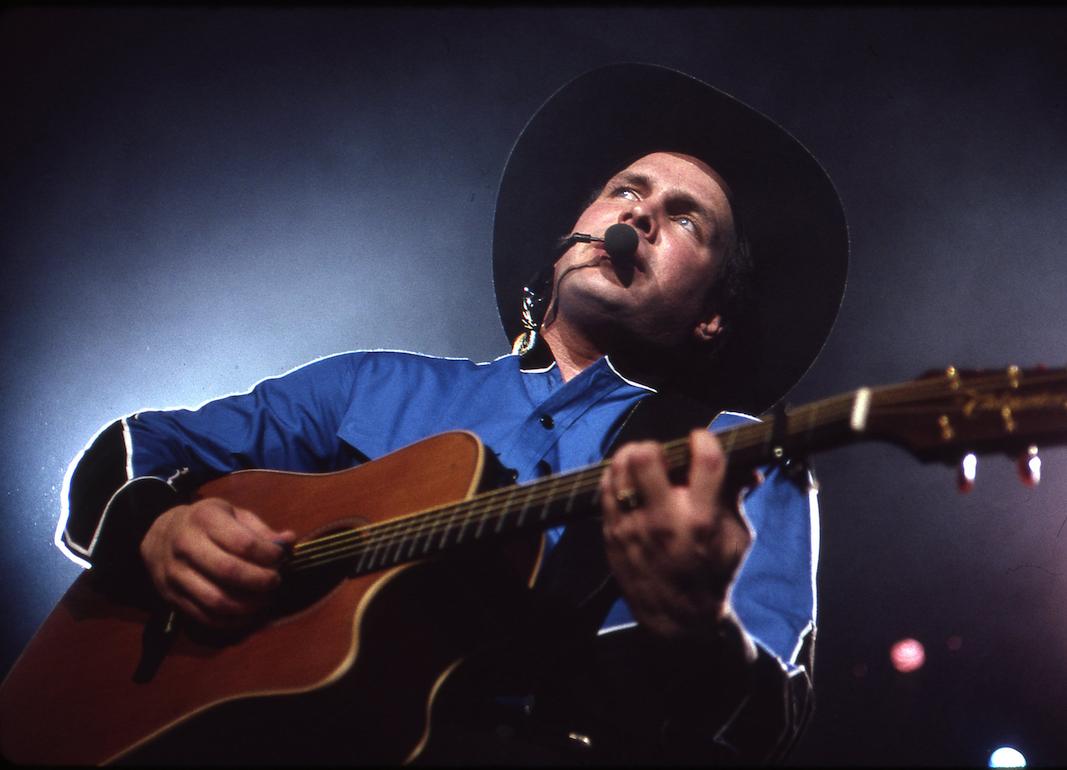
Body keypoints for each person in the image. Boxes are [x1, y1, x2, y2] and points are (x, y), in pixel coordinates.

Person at [56, 63, 848, 764]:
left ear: (711, 315)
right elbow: (132, 451)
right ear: (567, 240)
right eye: (625, 190)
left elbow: (767, 718)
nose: (639, 214)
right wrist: (155, 529)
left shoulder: (738, 459)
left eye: (684, 218)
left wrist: (697, 627)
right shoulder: (369, 385)